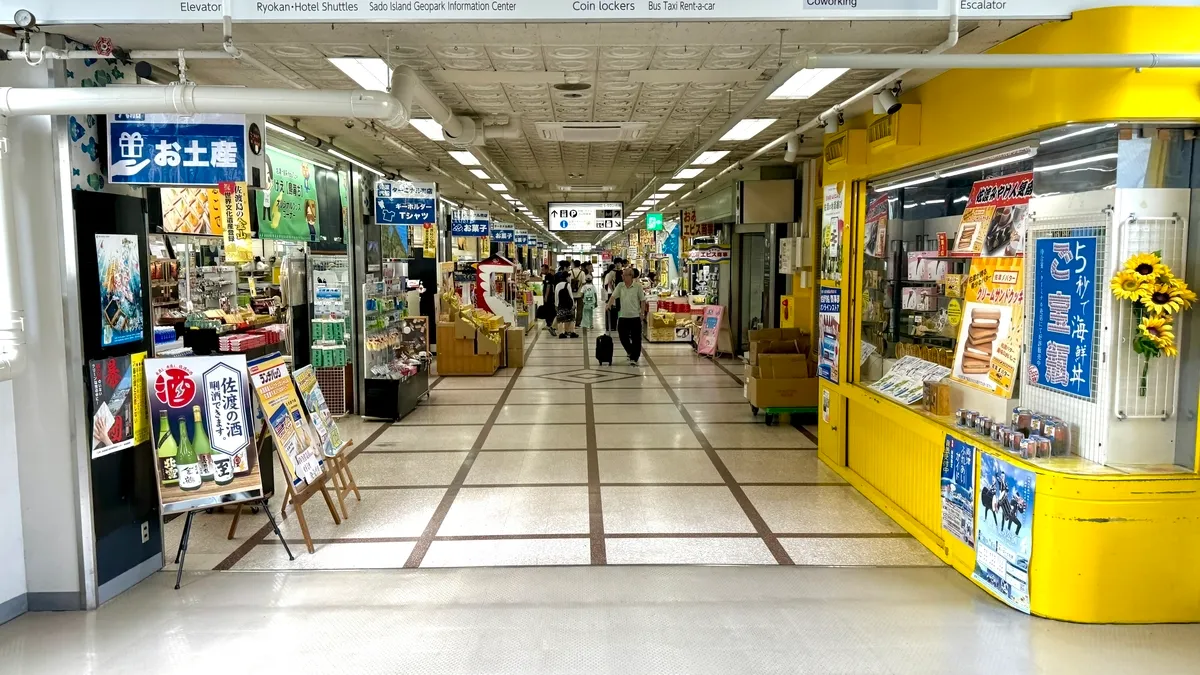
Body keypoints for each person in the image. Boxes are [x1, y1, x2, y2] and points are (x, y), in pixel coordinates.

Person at [607, 266, 646, 365]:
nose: (622, 276)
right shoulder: (620, 285)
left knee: (636, 338)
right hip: (623, 316)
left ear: (630, 276)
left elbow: (642, 300)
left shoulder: (638, 286)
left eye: (624, 275)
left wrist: (642, 313)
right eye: (622, 275)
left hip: (635, 316)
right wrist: (608, 305)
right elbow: (613, 296)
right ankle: (630, 351)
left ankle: (634, 357)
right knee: (622, 336)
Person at [555, 268, 577, 339]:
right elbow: (571, 296)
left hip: (560, 305)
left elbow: (556, 295)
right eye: (568, 276)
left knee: (560, 319)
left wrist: (556, 304)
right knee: (570, 318)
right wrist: (573, 305)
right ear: (566, 277)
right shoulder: (567, 285)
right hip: (568, 305)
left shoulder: (557, 285)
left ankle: (561, 333)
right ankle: (570, 332)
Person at [604, 258, 624, 332]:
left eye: (620, 263)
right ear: (615, 264)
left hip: (622, 293)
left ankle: (620, 325)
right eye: (617, 263)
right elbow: (609, 283)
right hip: (615, 293)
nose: (618, 264)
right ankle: (613, 326)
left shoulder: (623, 272)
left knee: (621, 309)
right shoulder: (612, 272)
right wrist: (613, 292)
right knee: (615, 310)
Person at [570, 259, 587, 328]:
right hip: (580, 293)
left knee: (572, 308)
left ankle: (572, 321)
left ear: (573, 264)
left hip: (571, 294)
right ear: (579, 265)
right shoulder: (582, 273)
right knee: (580, 309)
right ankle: (578, 323)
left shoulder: (570, 272)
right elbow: (583, 283)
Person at [541, 264, 557, 335]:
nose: (542, 271)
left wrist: (546, 297)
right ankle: (549, 324)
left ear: (547, 269)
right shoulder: (549, 276)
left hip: (549, 297)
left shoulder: (548, 276)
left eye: (543, 269)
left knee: (548, 310)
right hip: (550, 296)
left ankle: (549, 324)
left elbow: (548, 287)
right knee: (549, 310)